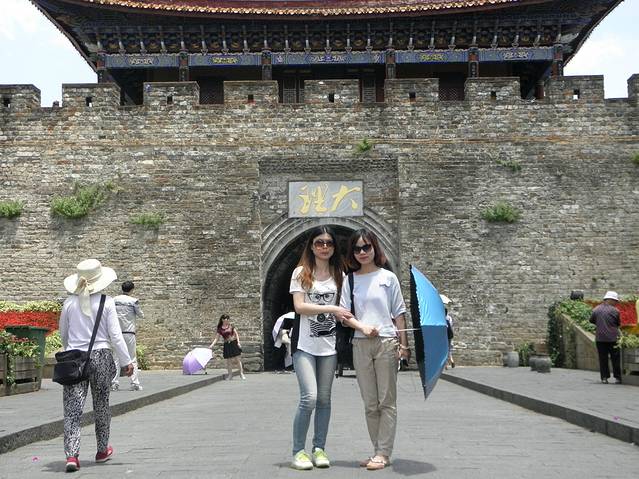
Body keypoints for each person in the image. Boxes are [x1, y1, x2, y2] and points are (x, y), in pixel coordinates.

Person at [339, 229, 409, 471]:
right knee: (370, 402)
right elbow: (344, 315)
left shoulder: (388, 278)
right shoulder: (349, 280)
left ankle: (383, 453)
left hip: (386, 343)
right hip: (360, 343)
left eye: (366, 247)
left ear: (374, 248)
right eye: (357, 248)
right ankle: (377, 449)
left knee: (386, 400)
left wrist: (404, 346)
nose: (362, 252)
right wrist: (362, 327)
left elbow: (399, 314)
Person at [288, 226, 354, 470]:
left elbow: (345, 309)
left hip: (329, 346)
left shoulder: (340, 275)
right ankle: (298, 451)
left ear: (334, 247)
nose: (324, 247)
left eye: (329, 243)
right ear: (312, 246)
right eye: (319, 242)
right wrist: (332, 308)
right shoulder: (301, 273)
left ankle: (319, 448)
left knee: (325, 399)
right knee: (310, 398)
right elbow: (300, 307)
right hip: (304, 344)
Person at [59, 259, 134, 473]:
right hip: (101, 356)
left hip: (75, 357)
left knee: (73, 408)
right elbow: (115, 336)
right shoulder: (106, 302)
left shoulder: (69, 303)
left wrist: (71, 349)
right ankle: (102, 450)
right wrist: (126, 361)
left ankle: (72, 455)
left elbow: (64, 334)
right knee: (101, 404)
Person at [111, 281, 145, 391]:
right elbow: (141, 315)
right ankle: (134, 383)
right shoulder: (133, 301)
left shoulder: (113, 300)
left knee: (116, 359)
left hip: (116, 333)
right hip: (129, 333)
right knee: (132, 358)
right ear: (132, 289)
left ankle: (114, 383)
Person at [589, 291, 622, 384]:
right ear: (610, 300)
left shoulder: (596, 309)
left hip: (600, 338)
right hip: (613, 338)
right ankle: (618, 378)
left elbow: (591, 320)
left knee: (603, 359)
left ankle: (604, 378)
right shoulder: (615, 311)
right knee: (615, 358)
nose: (616, 303)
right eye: (615, 301)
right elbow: (618, 323)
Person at [209, 314, 246, 380]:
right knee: (229, 361)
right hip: (227, 345)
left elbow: (236, 334)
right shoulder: (220, 329)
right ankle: (230, 375)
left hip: (233, 343)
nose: (228, 320)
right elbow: (216, 338)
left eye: (228, 319)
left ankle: (241, 374)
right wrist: (212, 344)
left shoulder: (231, 326)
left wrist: (238, 342)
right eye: (226, 319)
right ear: (223, 319)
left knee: (237, 359)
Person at [441, 294, 455, 369]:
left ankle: (445, 364)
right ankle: (452, 360)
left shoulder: (441, 318)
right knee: (449, 348)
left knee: (444, 349)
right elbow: (451, 325)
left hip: (443, 335)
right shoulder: (449, 318)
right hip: (450, 334)